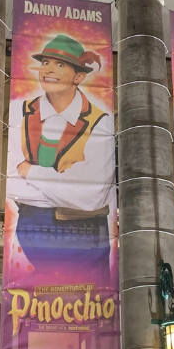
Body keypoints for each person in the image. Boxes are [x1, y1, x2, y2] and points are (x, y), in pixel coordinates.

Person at [7, 34, 115, 275]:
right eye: (45, 62)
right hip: (31, 231)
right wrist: (67, 189)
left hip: (85, 234)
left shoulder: (101, 121)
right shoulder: (20, 112)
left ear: (79, 76)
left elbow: (93, 197)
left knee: (90, 304)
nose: (49, 70)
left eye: (60, 64)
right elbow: (10, 185)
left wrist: (30, 172)